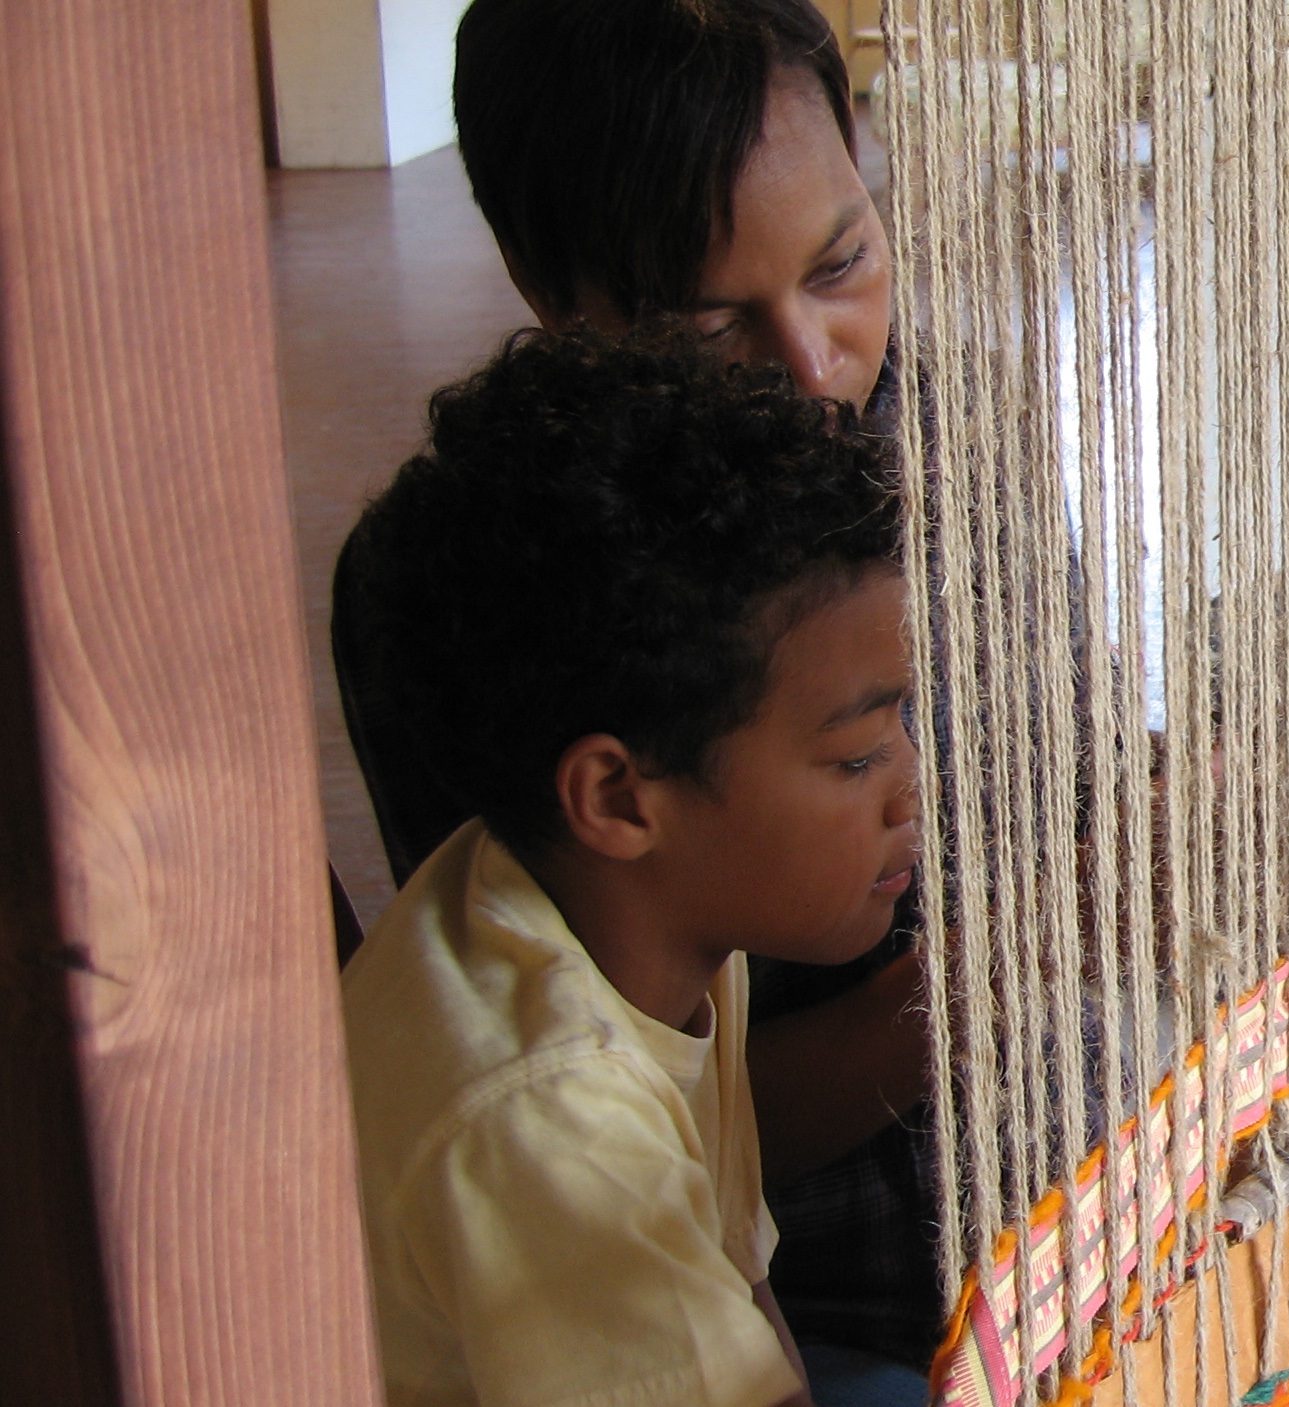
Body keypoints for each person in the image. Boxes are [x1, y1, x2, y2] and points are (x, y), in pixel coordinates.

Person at [334, 1, 943, 1395]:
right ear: (552, 297)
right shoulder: (497, 616)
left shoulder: (667, 950)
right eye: (702, 318)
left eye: (843, 260)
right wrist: (969, 1006)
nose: (807, 367)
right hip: (822, 1279)